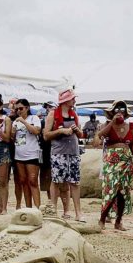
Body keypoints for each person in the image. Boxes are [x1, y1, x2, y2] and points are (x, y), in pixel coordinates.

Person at [95, 101, 133, 230]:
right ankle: (102, 219)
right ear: (112, 111)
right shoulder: (106, 125)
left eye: (122, 109)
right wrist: (112, 123)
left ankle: (119, 220)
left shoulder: (130, 127)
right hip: (111, 161)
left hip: (126, 162)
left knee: (123, 192)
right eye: (117, 109)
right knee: (110, 190)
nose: (120, 111)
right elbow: (98, 139)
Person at [44, 88, 84, 221]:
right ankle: (54, 210)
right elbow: (46, 135)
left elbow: (81, 134)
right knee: (56, 181)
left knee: (74, 182)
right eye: (73, 98)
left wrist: (77, 131)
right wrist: (61, 132)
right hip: (58, 152)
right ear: (66, 100)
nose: (75, 100)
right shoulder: (53, 114)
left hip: (73, 152)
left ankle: (78, 213)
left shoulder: (74, 114)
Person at [11, 99, 42, 209]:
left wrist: (23, 122)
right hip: (19, 155)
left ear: (27, 108)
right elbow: (13, 138)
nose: (19, 111)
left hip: (32, 153)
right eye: (17, 109)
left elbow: (36, 131)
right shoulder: (15, 122)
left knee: (33, 181)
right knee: (23, 181)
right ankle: (28, 207)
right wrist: (13, 132)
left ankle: (37, 207)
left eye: (21, 108)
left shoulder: (34, 118)